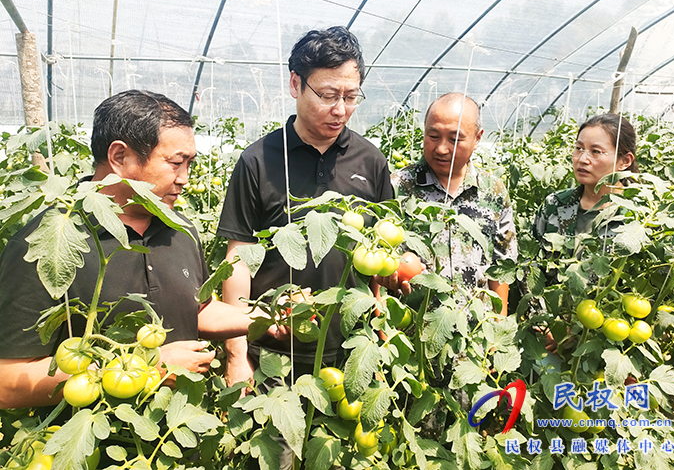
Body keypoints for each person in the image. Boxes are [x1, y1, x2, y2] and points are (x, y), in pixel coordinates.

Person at [0, 90, 274, 410]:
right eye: (176, 163)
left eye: (190, 163)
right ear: (119, 157)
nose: (185, 178)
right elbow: (7, 383)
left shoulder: (181, 230)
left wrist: (271, 315)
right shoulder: (48, 242)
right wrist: (147, 369)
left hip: (181, 434)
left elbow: (197, 310)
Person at [216, 26, 393, 389]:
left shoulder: (370, 161)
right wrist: (236, 355)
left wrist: (378, 336)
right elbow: (238, 261)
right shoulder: (259, 161)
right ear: (295, 84)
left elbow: (381, 256)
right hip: (273, 356)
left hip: (349, 349)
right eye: (328, 95)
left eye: (351, 96)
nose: (341, 109)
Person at [388, 92, 517, 314]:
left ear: (477, 138)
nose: (441, 148)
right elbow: (380, 259)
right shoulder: (398, 187)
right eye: (433, 136)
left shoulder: (493, 191)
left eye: (455, 139)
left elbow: (502, 266)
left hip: (476, 336)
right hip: (414, 334)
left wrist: (499, 324)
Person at [533, 113, 637, 245]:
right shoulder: (554, 205)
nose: (582, 159)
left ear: (625, 161)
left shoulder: (639, 215)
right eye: (579, 148)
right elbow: (534, 260)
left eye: (596, 151)